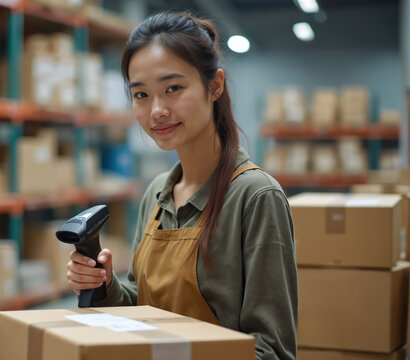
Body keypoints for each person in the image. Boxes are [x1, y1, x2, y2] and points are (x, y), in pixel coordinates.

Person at [66, 11, 297, 360]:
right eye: (141, 94)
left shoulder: (256, 197)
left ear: (214, 85)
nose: (157, 110)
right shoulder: (157, 193)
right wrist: (105, 285)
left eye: (173, 88)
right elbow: (143, 310)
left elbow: (272, 350)